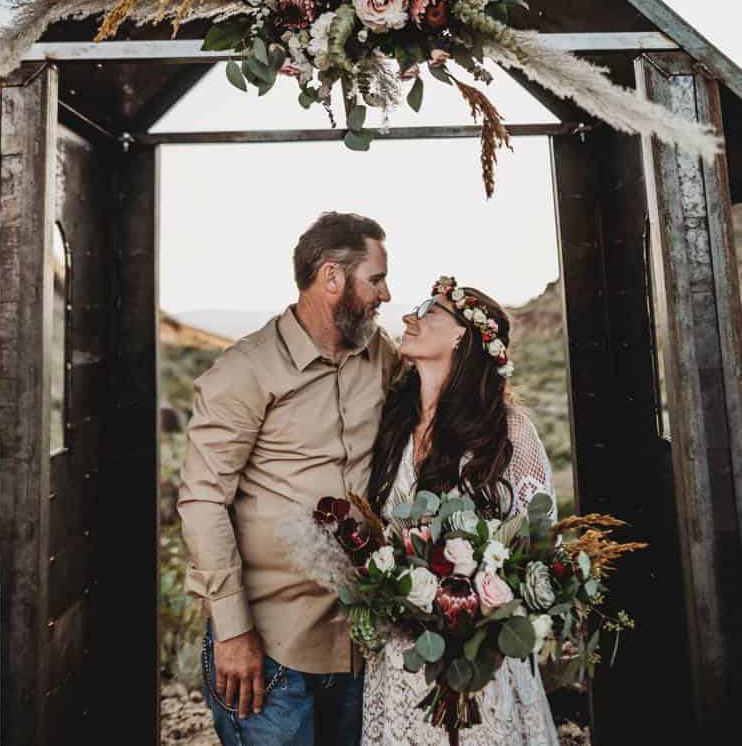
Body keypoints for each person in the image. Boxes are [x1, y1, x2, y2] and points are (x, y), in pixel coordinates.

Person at [179, 212, 397, 746]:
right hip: (270, 651)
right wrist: (232, 631)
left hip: (359, 643)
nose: (386, 294)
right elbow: (203, 501)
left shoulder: (381, 354)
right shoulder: (244, 371)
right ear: (331, 278)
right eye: (376, 278)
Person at [360, 279, 560, 746]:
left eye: (430, 310)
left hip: (481, 663)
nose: (411, 317)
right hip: (401, 657)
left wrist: (481, 610)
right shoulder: (392, 423)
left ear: (461, 337)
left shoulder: (507, 431)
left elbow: (540, 545)